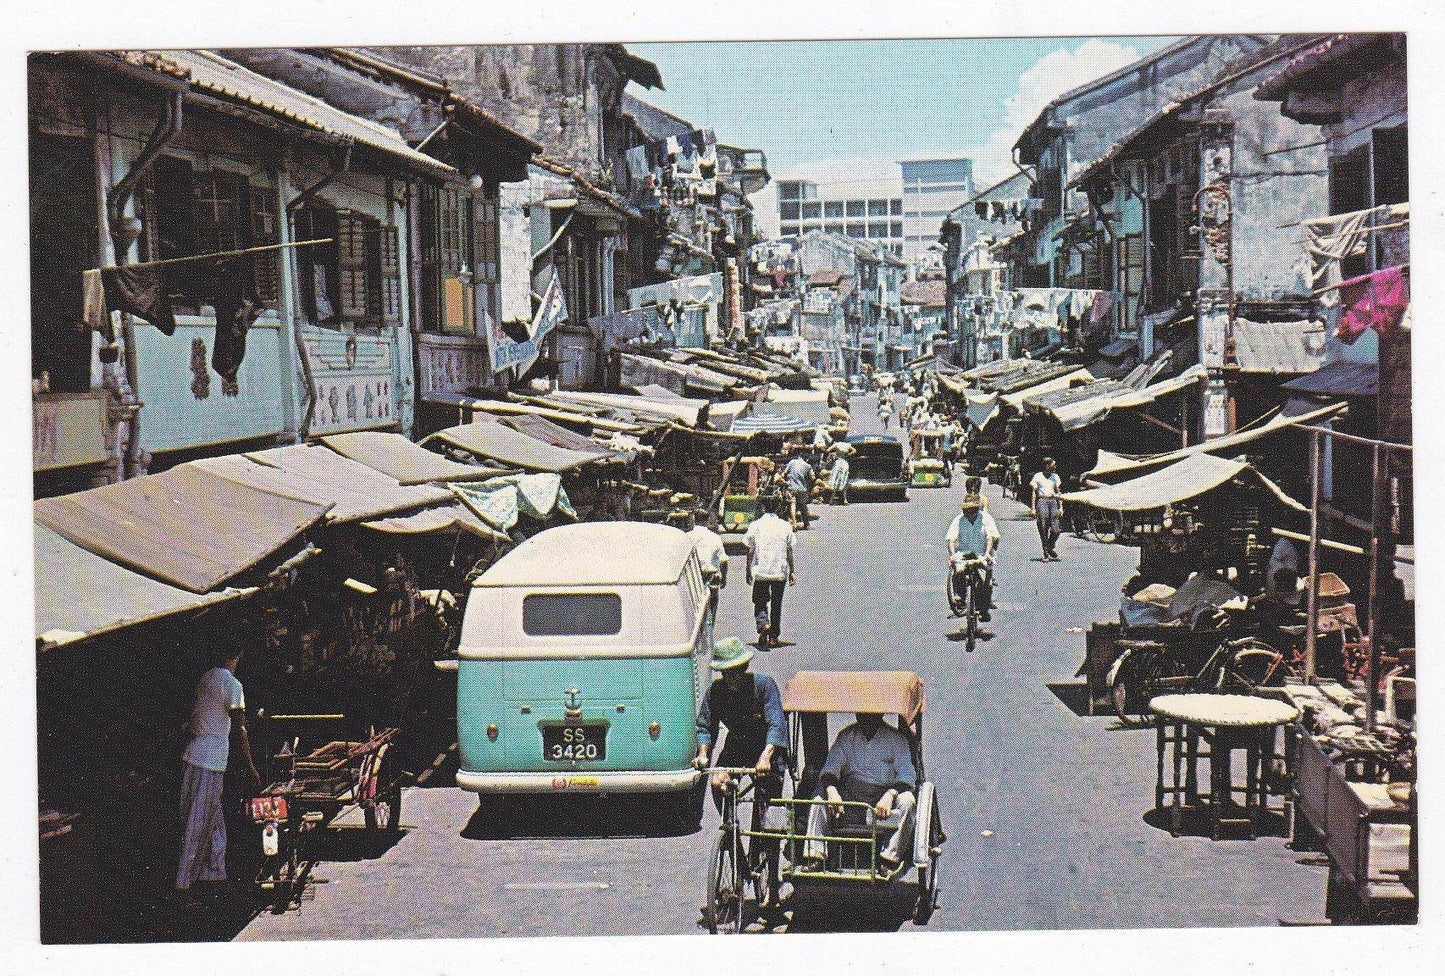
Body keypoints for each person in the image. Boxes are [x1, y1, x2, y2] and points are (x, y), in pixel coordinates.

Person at [176, 640, 259, 901]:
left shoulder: (206, 678)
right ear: (239, 654)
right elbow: (240, 728)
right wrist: (250, 765)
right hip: (209, 761)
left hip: (195, 756)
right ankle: (183, 886)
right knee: (198, 824)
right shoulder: (232, 685)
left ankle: (214, 874)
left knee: (212, 821)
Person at [802, 712, 918, 870]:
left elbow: (907, 776)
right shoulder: (847, 736)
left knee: (908, 801)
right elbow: (831, 768)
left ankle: (889, 858)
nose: (866, 718)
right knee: (819, 796)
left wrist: (890, 795)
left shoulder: (896, 740)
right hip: (849, 800)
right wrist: (832, 791)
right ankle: (815, 855)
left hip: (883, 802)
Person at [693, 637, 788, 825]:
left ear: (744, 668)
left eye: (735, 672)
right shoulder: (716, 691)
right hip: (738, 746)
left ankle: (767, 846)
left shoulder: (764, 686)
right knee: (717, 783)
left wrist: (765, 757)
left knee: (768, 813)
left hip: (767, 749)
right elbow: (704, 726)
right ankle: (730, 826)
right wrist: (703, 754)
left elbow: (776, 724)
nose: (731, 678)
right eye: (726, 673)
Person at [744, 493, 795, 650]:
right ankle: (773, 637)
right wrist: (792, 571)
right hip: (779, 571)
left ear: (763, 507)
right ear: (779, 507)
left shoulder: (755, 525)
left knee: (759, 600)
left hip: (762, 571)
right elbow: (789, 551)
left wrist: (748, 569)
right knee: (777, 604)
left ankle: (763, 623)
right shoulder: (785, 526)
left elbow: (750, 549)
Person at [945, 487, 1000, 622]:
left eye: (971, 510)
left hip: (982, 554)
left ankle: (984, 608)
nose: (968, 512)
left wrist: (988, 553)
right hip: (964, 554)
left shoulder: (985, 519)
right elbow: (951, 539)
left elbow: (990, 537)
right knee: (958, 571)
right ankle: (960, 596)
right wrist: (952, 554)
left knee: (985, 584)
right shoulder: (958, 520)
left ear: (976, 509)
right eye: (966, 510)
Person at [685, 511, 729, 628]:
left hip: (693, 576)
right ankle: (709, 631)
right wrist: (724, 578)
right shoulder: (715, 537)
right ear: (707, 521)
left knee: (694, 607)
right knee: (712, 606)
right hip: (712, 576)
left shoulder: (687, 537)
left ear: (693, 520)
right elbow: (723, 560)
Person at [1031, 456, 1064, 561]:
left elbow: (1058, 492)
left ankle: (1050, 545)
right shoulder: (1038, 476)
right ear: (1047, 465)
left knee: (1056, 529)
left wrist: (1061, 507)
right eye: (1053, 464)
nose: (1055, 467)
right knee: (1043, 526)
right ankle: (1045, 552)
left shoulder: (1055, 477)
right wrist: (1033, 508)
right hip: (1042, 501)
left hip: (1053, 501)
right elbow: (1034, 492)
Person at [782, 449, 816, 529]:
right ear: (807, 458)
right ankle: (806, 524)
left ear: (799, 456)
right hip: (802, 489)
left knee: (792, 506)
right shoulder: (808, 466)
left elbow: (785, 473)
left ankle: (794, 524)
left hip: (792, 488)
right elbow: (813, 478)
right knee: (803, 507)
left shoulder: (792, 462)